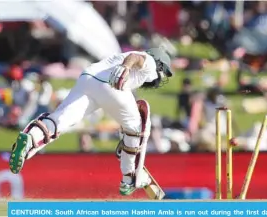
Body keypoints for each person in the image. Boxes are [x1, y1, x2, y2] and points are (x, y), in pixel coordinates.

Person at [9, 47, 173, 196]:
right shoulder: (150, 62)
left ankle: (30, 138)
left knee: (60, 120)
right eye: (164, 71)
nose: (162, 76)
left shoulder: (122, 60)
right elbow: (135, 57)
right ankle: (129, 177)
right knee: (139, 123)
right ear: (160, 64)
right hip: (111, 85)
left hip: (87, 79)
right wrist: (125, 67)